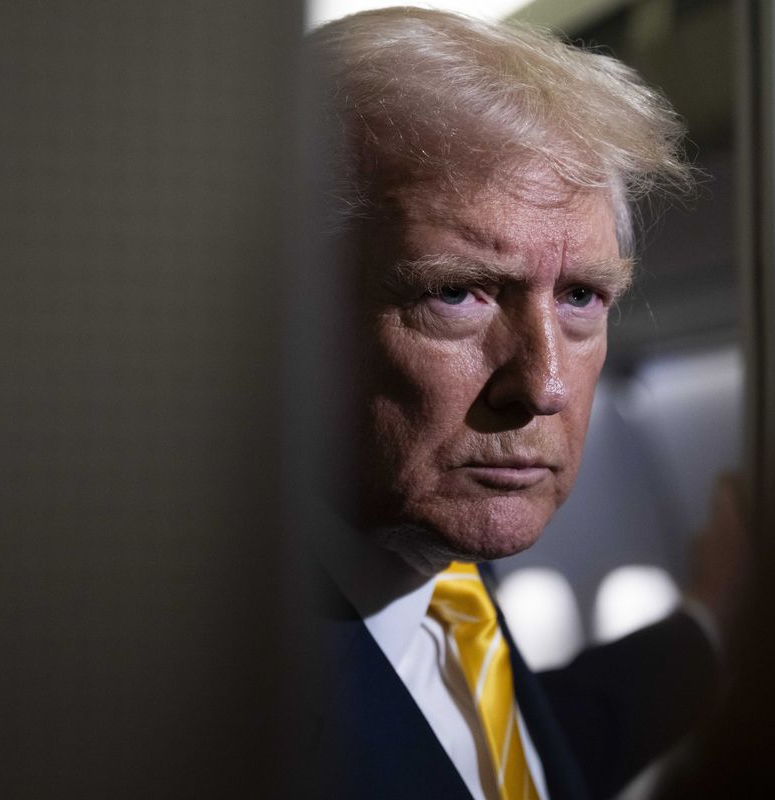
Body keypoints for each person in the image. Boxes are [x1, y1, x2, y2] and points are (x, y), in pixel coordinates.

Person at [294, 8, 723, 800]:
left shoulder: (438, 550)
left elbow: (494, 756)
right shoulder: (190, 701)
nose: (545, 385)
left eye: (582, 296)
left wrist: (715, 623)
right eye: (457, 293)